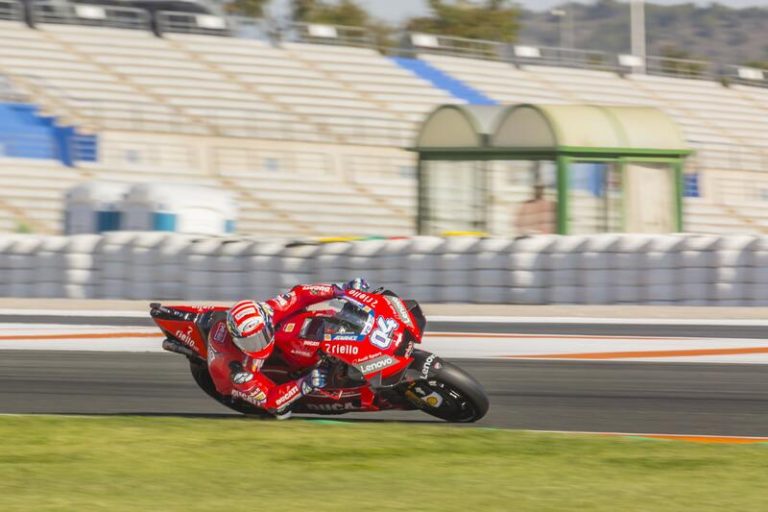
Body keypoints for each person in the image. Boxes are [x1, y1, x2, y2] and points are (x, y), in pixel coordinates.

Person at [206, 278, 369, 419]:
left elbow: (302, 293)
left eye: (261, 336)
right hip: (235, 378)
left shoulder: (271, 309)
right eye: (250, 342)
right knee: (282, 412)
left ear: (267, 321)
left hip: (301, 337)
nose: (259, 344)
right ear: (238, 341)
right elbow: (271, 400)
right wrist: (305, 383)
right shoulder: (241, 371)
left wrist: (341, 289)